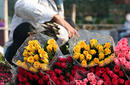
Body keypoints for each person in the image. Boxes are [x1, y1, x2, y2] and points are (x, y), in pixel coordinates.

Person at [4, 0, 79, 65]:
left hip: (43, 57)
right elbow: (20, 6)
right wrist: (56, 17)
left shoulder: (58, 2)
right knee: (25, 28)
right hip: (19, 53)